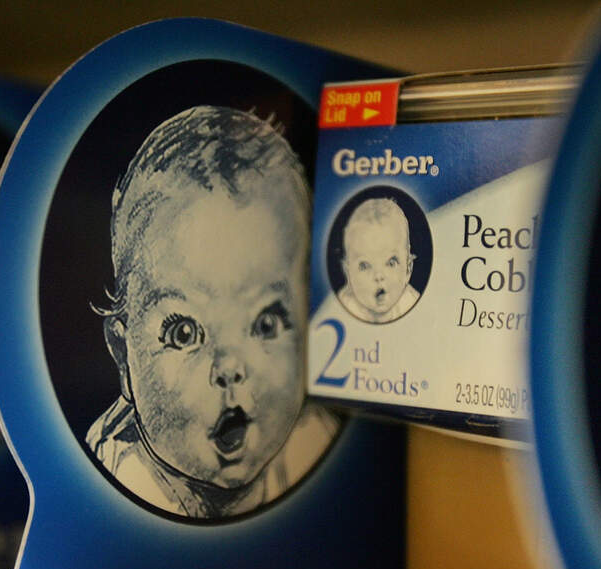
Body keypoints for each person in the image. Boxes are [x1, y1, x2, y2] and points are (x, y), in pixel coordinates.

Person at [87, 105, 335, 519]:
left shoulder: (312, 440)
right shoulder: (112, 485)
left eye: (265, 324)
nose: (230, 367)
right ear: (123, 355)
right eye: (184, 332)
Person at [336, 198, 420, 323]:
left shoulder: (410, 302)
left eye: (391, 263)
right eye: (365, 266)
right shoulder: (343, 308)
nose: (378, 276)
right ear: (348, 273)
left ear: (408, 269)